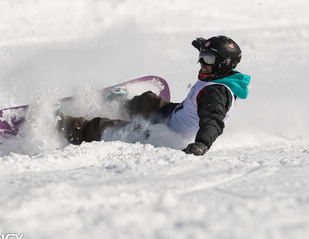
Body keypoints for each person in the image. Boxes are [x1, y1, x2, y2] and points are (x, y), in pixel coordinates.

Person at [56, 35, 251, 156]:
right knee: (147, 100)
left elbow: (213, 120)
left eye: (207, 59)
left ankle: (61, 125)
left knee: (103, 127)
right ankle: (119, 105)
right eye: (201, 56)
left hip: (166, 133)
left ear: (223, 64)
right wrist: (204, 47)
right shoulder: (221, 78)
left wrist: (201, 144)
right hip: (172, 114)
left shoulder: (215, 92)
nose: (201, 62)